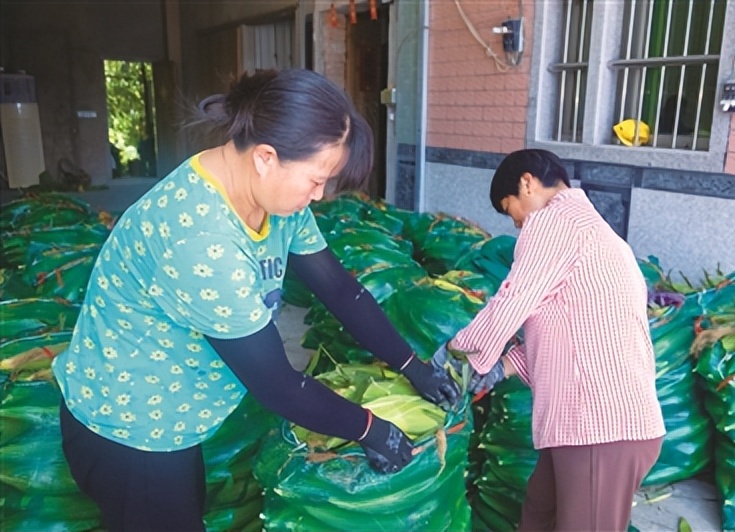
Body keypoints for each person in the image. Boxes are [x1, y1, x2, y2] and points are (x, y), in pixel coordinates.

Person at [52, 68, 460, 532]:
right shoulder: (202, 237)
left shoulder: (274, 198)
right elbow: (278, 385)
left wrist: (412, 365)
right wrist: (370, 428)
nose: (320, 194)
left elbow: (340, 289)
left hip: (174, 416)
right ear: (267, 157)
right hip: (131, 429)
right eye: (316, 179)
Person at [435, 148, 665, 531]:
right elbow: (568, 327)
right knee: (538, 517)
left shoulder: (555, 222)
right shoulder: (593, 232)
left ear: (527, 183)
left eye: (512, 212)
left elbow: (514, 298)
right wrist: (501, 367)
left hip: (601, 426)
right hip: (587, 428)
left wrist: (458, 354)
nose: (519, 227)